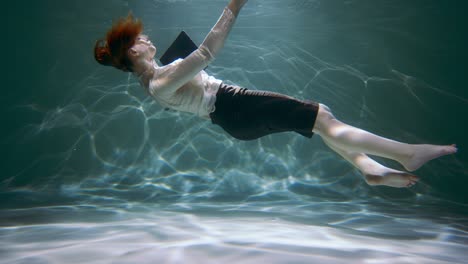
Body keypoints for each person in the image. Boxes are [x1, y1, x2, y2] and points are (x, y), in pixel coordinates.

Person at [94, 0, 457, 188]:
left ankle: (368, 167)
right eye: (139, 39)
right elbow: (205, 54)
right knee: (322, 118)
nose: (146, 38)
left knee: (318, 121)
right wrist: (232, 8)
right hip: (234, 107)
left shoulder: (154, 80)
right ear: (131, 53)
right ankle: (406, 155)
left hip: (232, 116)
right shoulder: (159, 81)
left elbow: (192, 71)